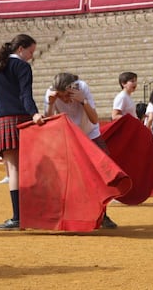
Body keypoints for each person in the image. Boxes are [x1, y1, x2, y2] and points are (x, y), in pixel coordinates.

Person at [0, 34, 44, 231]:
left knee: (14, 169)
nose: (31, 56)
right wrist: (33, 114)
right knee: (28, 167)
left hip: (3, 120)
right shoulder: (23, 67)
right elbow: (26, 95)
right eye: (30, 52)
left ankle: (18, 216)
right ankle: (30, 213)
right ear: (20, 49)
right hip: (22, 120)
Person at [44, 72, 118, 228]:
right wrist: (50, 104)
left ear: (73, 88)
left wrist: (82, 101)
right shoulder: (51, 94)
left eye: (66, 95)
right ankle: (73, 214)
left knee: (99, 176)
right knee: (71, 177)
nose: (64, 99)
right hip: (70, 136)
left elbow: (94, 119)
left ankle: (102, 214)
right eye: (61, 96)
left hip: (90, 133)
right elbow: (48, 121)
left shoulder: (82, 88)